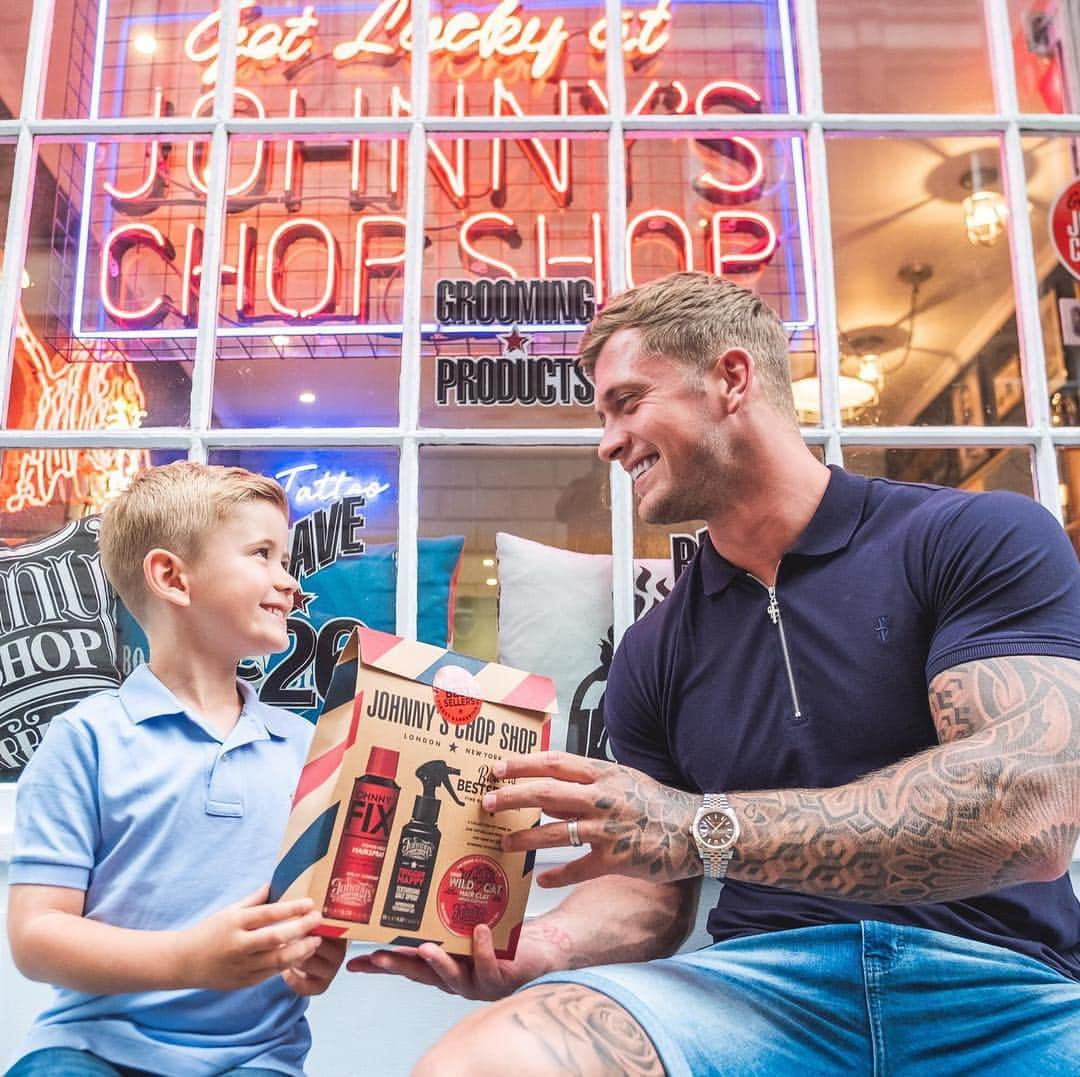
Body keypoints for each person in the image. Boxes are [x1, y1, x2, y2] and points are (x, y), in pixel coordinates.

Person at [352, 272, 1080, 1075]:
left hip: (1010, 989)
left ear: (732, 379)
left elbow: (1030, 811)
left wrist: (700, 826)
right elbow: (648, 892)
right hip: (759, 995)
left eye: (628, 402)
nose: (606, 442)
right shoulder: (654, 650)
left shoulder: (974, 537)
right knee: (483, 1063)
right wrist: (539, 946)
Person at [6, 462, 346, 1077]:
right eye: (263, 554)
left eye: (286, 558)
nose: (290, 581)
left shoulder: (309, 749)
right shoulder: (85, 740)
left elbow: (308, 911)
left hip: (257, 1059)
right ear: (172, 577)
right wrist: (186, 960)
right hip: (91, 1050)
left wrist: (308, 961)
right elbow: (36, 938)